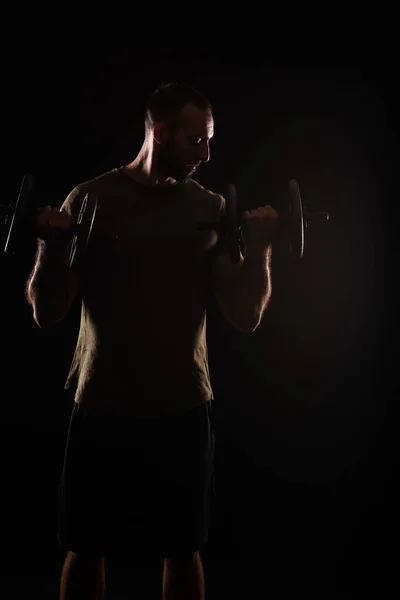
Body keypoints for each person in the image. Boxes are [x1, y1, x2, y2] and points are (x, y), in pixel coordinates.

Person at [26, 82, 279, 600]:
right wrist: (50, 248)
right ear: (159, 134)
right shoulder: (92, 200)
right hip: (101, 404)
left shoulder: (209, 208)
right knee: (85, 546)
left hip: (182, 407)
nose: (206, 155)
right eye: (196, 142)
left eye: (209, 142)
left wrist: (259, 253)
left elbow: (246, 315)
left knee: (183, 550)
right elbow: (46, 312)